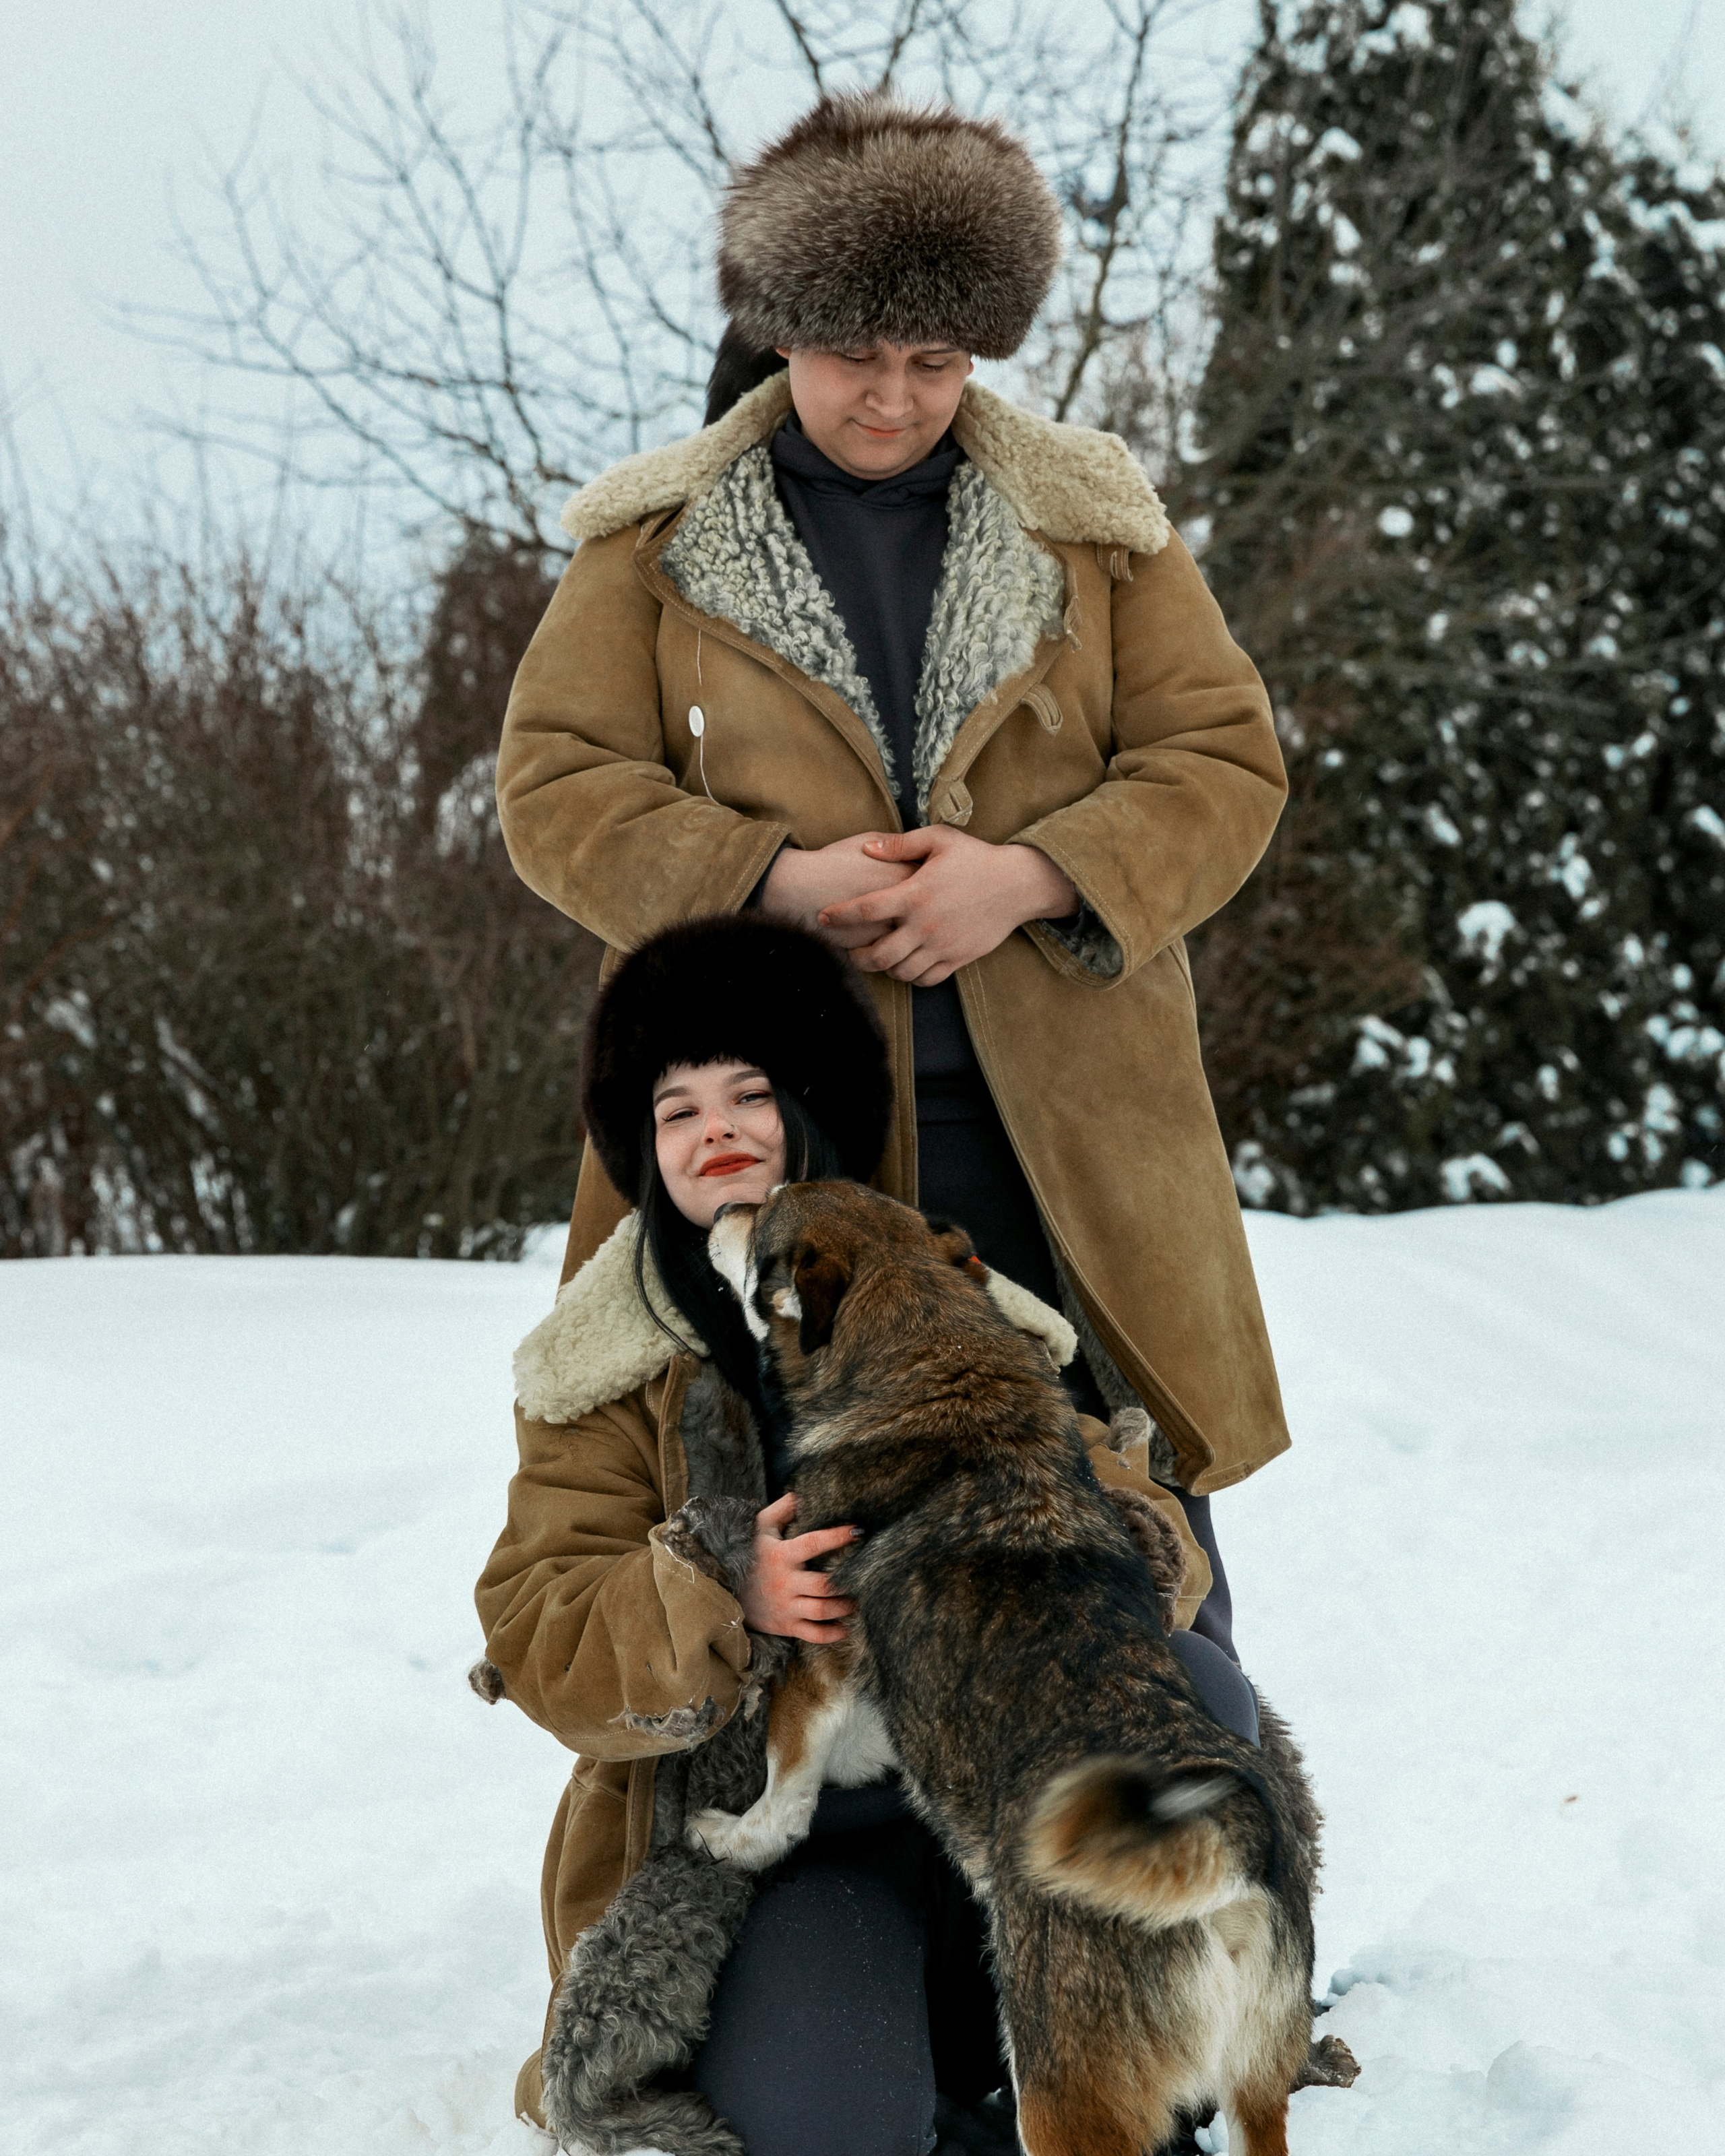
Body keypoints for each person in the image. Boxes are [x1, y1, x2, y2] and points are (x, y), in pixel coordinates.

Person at [475, 913, 1255, 2156]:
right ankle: (945, 2050)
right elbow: (537, 1619)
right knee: (827, 2121)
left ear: (811, 1108)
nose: (715, 1128)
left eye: (748, 1091)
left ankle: (1122, 2039)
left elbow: (1135, 1503)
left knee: (1201, 1695)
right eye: (675, 1110)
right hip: (793, 1852)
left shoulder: (941, 1294)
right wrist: (722, 1590)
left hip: (1003, 1782)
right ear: (641, 1147)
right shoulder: (596, 1371)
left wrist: (1068, 1537)